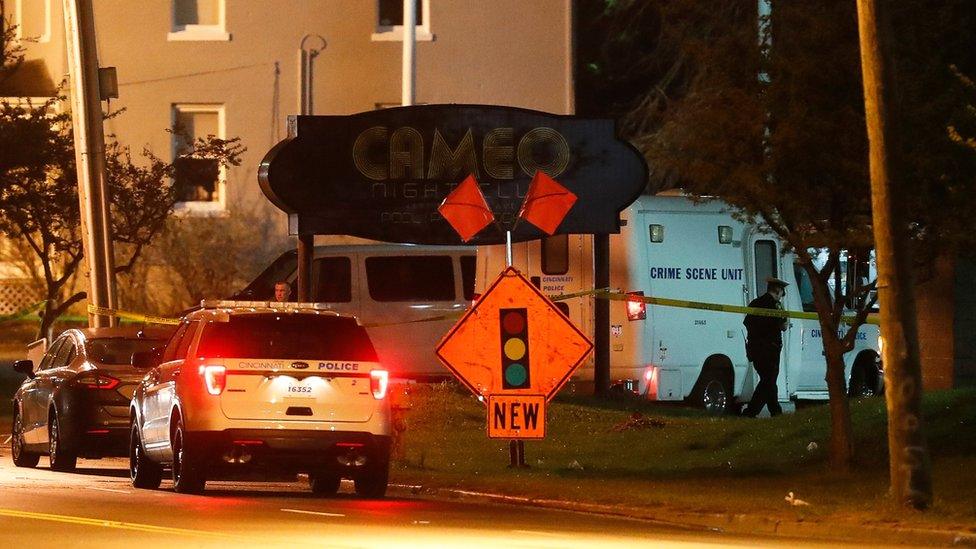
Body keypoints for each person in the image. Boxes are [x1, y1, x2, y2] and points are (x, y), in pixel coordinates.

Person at [742, 277, 789, 417]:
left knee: (768, 380)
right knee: (768, 381)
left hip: (754, 349)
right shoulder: (777, 306)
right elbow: (784, 326)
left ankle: (775, 411)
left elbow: (747, 323)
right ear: (779, 291)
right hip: (770, 349)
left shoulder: (754, 303)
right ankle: (751, 412)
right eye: (782, 292)